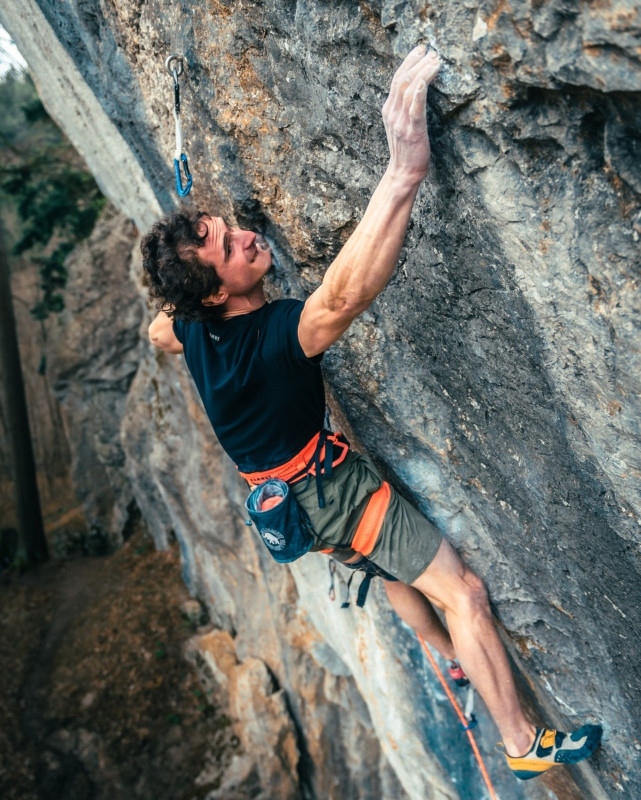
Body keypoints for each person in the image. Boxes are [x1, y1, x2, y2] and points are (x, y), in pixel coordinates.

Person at [141, 46, 601, 781]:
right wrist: (403, 171)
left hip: (287, 497)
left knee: (395, 574)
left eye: (228, 228)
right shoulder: (270, 339)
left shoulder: (189, 326)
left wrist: (176, 306)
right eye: (231, 248)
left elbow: (159, 330)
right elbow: (341, 297)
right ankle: (521, 743)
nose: (246, 234)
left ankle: (442, 655)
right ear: (214, 294)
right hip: (328, 494)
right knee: (462, 592)